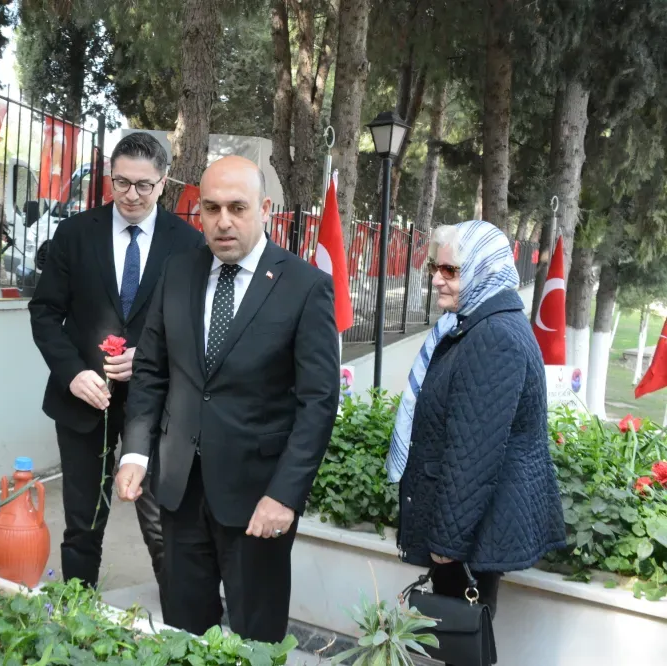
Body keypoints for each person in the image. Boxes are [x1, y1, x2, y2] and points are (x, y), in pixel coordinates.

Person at [115, 155, 340, 643]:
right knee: (183, 637)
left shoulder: (304, 287)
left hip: (259, 499)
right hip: (179, 492)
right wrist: (135, 452)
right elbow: (151, 370)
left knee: (255, 641)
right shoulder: (178, 272)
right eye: (211, 208)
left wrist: (285, 495)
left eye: (237, 208)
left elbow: (319, 402)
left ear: (265, 209)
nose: (222, 222)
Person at [28, 132, 204, 600]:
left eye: (144, 185)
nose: (131, 195)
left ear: (163, 182)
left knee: (163, 521)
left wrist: (147, 356)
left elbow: (196, 328)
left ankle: (183, 618)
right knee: (83, 521)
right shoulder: (75, 234)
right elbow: (44, 313)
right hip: (84, 400)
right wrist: (72, 373)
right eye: (121, 182)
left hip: (158, 408)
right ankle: (77, 614)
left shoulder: (189, 244)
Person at [387, 220, 565, 664]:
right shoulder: (477, 325)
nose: (437, 278)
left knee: (464, 645)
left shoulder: (493, 337)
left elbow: (473, 457)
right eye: (435, 267)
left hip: (470, 534)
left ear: (484, 271)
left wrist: (447, 545)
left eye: (450, 270)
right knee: (460, 646)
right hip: (472, 527)